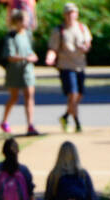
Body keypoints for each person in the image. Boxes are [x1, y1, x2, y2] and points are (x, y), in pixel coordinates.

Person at [44, 2, 92, 133]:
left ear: (76, 14)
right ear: (65, 15)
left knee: (78, 96)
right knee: (73, 94)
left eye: (73, 12)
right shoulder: (59, 31)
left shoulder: (82, 28)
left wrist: (85, 48)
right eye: (68, 13)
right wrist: (50, 57)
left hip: (80, 66)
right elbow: (53, 49)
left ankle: (65, 116)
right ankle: (77, 123)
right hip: (65, 66)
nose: (71, 15)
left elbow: (88, 44)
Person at [0, 8, 39, 136]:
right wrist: (26, 58)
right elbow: (9, 56)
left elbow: (29, 50)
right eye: (26, 20)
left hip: (27, 70)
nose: (28, 22)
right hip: (14, 71)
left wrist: (33, 56)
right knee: (14, 97)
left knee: (29, 97)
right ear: (18, 21)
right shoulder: (10, 37)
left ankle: (30, 125)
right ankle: (4, 121)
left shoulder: (28, 34)